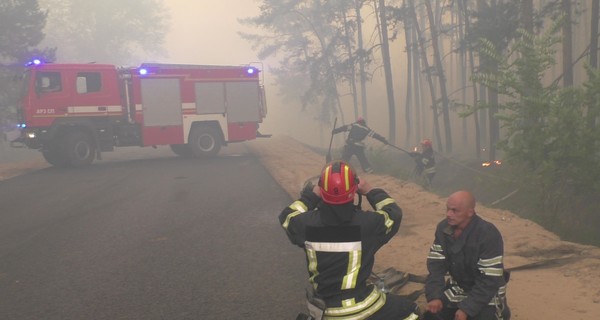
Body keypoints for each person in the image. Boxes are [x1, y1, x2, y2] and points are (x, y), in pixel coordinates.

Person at [279, 160, 420, 320]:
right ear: (354, 190)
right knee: (411, 310)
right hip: (360, 306)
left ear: (322, 190)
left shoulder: (305, 224)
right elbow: (393, 213)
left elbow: (287, 216)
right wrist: (371, 191)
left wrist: (311, 196)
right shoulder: (369, 224)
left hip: (325, 310)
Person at [423, 190, 510, 320]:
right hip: (458, 287)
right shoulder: (443, 228)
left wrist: (467, 308)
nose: (448, 214)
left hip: (486, 292)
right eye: (447, 209)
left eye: (455, 210)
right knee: (431, 315)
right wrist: (434, 296)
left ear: (470, 212)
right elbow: (436, 265)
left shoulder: (487, 234)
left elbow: (490, 279)